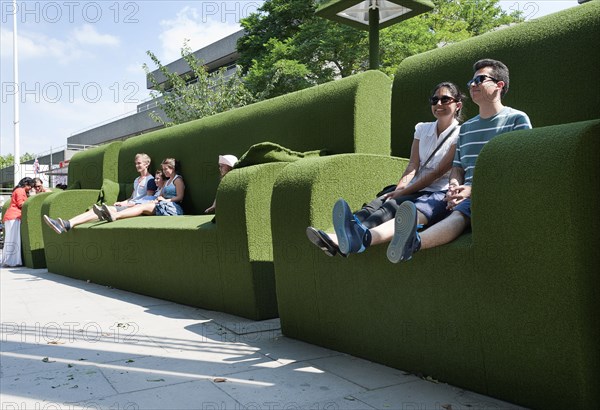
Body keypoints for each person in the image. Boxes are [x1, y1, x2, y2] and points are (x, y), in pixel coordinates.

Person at [331, 59, 532, 263]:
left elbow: (518, 167)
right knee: (419, 207)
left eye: (480, 79)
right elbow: (458, 167)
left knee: (453, 214)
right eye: (471, 81)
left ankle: (412, 242)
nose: (472, 85)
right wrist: (455, 185)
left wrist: (472, 190)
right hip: (462, 194)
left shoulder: (516, 119)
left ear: (499, 85)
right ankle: (365, 235)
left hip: (493, 192)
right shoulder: (468, 129)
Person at [306, 82, 465, 257]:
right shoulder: (422, 128)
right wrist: (400, 189)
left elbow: (437, 173)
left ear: (457, 105)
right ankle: (337, 238)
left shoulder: (461, 133)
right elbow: (413, 165)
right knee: (376, 203)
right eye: (435, 100)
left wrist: (403, 193)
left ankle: (351, 238)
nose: (439, 104)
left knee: (390, 206)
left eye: (445, 99)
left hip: (434, 190)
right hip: (414, 185)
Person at [43, 153, 157, 234]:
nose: (137, 166)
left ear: (147, 164)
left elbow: (147, 199)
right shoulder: (137, 180)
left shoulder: (150, 180)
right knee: (95, 210)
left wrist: (128, 205)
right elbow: (132, 197)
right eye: (136, 163)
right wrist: (122, 202)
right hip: (129, 205)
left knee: (100, 212)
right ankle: (67, 223)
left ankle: (67, 224)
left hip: (134, 209)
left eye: (139, 163)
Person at [101, 158, 185, 222]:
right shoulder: (166, 181)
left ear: (172, 168)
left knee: (142, 207)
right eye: (163, 169)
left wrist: (166, 200)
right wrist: (156, 200)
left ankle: (115, 215)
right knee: (139, 206)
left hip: (173, 208)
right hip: (162, 204)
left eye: (166, 169)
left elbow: (180, 197)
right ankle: (110, 214)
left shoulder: (177, 180)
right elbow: (160, 196)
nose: (164, 171)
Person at [2, 177, 35, 267]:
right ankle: (12, 261)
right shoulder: (20, 190)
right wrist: (32, 201)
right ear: (26, 184)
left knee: (10, 239)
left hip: (11, 216)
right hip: (15, 216)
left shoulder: (18, 190)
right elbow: (21, 204)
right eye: (30, 186)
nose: (31, 188)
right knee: (14, 239)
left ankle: (9, 260)